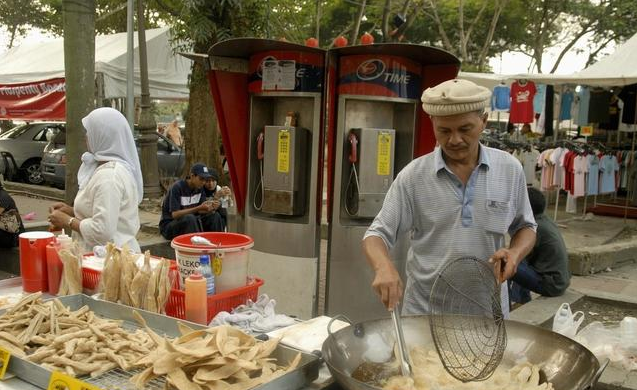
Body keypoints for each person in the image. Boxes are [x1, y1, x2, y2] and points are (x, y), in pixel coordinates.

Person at [362, 78, 537, 315]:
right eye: (444, 131)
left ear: (483, 121)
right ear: (433, 123)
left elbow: (526, 226)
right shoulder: (414, 176)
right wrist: (384, 267)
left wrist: (515, 254)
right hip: (425, 315)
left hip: (488, 317)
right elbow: (376, 234)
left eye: (465, 129)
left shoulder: (509, 168)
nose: (454, 140)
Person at [48, 107, 143, 253]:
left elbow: (102, 231)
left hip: (107, 261)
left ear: (102, 136)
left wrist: (67, 220)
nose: (86, 136)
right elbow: (107, 213)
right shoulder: (109, 169)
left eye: (90, 131)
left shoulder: (109, 176)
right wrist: (72, 211)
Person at [509, 187, 570, 305]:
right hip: (559, 281)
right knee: (518, 260)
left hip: (551, 285)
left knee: (506, 264)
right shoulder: (544, 219)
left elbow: (517, 256)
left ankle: (510, 303)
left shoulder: (535, 228)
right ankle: (520, 300)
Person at [159, 163, 220, 240]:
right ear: (192, 176)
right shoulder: (177, 187)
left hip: (191, 222)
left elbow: (200, 210)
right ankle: (197, 247)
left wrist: (211, 208)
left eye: (205, 180)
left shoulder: (200, 188)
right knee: (190, 218)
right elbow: (175, 214)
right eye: (201, 179)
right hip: (169, 226)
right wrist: (198, 208)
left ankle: (217, 243)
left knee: (214, 216)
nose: (203, 182)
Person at [202, 168, 232, 232]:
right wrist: (216, 197)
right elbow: (203, 208)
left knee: (222, 212)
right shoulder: (201, 190)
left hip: (218, 219)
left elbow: (227, 205)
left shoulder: (218, 188)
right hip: (205, 219)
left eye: (213, 181)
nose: (210, 184)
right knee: (216, 216)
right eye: (208, 181)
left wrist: (228, 197)